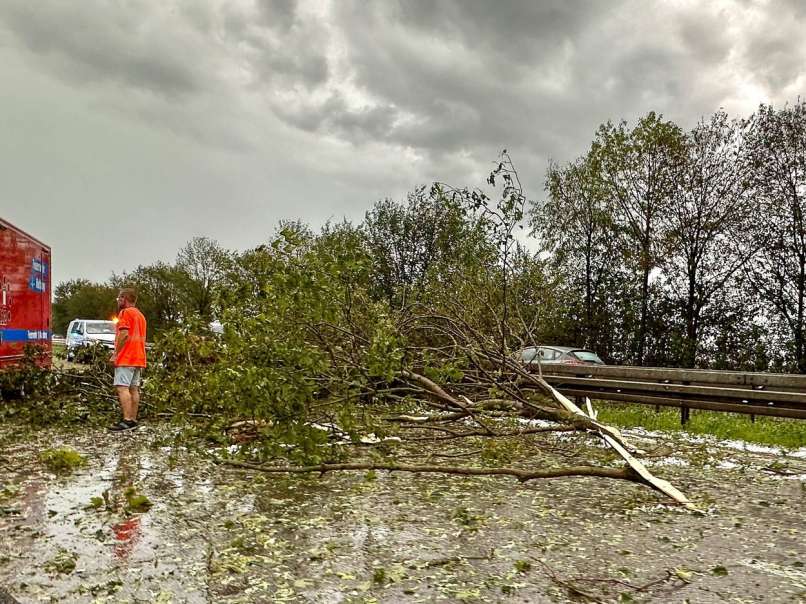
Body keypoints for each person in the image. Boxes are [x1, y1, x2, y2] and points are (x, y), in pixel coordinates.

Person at [108, 288, 147, 432]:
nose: (118, 301)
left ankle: (127, 420)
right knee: (134, 388)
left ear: (124, 298)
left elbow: (124, 334)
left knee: (122, 388)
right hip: (138, 357)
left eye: (119, 298)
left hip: (126, 357)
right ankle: (133, 419)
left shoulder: (125, 313)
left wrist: (115, 354)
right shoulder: (140, 316)